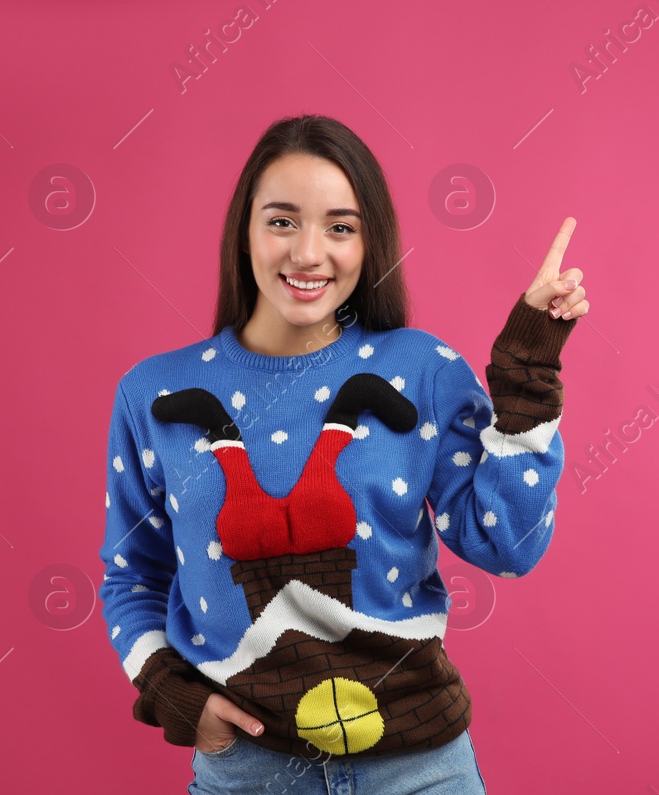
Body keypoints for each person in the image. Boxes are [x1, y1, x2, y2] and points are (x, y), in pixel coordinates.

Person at [97, 114, 589, 794]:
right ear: (245, 232)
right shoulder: (152, 393)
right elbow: (131, 576)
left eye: (340, 226)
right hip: (250, 773)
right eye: (281, 221)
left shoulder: (423, 369)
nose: (308, 253)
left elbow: (508, 544)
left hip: (420, 768)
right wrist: (167, 691)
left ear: (369, 242)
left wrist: (526, 372)